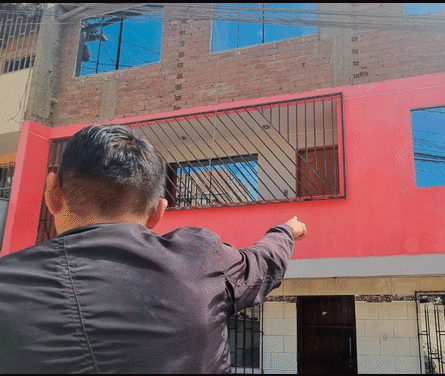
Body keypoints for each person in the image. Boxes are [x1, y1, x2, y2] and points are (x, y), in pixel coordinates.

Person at [0, 124, 307, 373]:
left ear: (53, 194)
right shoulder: (200, 257)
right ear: (157, 213)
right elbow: (262, 263)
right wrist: (286, 231)